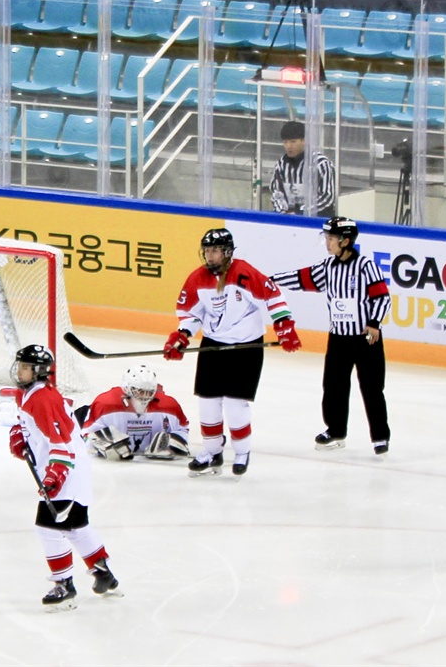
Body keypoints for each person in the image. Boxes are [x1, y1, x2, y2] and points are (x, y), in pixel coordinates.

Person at [161, 229, 301, 478]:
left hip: (246, 348)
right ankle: (212, 452)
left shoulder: (243, 272)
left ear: (227, 252)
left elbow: (273, 295)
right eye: (207, 250)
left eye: (214, 250)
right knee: (208, 403)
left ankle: (242, 452)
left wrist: (284, 325)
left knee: (236, 404)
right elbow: (191, 314)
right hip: (213, 345)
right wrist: (182, 336)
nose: (210, 256)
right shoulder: (197, 279)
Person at [8, 344, 121, 612]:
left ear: (38, 372)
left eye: (26, 367)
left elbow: (62, 443)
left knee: (48, 527)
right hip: (69, 467)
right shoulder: (28, 394)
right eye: (20, 365)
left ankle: (64, 585)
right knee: (75, 526)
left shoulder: (43, 398)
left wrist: (55, 475)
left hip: (66, 468)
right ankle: (102, 572)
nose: (20, 371)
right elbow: (26, 422)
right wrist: (18, 435)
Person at [271, 217, 392, 455]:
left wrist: (374, 323)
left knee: (371, 387)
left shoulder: (367, 267)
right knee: (333, 385)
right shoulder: (328, 267)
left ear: (345, 241)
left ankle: (380, 436)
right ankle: (335, 430)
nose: (327, 243)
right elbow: (301, 277)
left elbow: (382, 297)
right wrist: (270, 281)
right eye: (326, 238)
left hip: (366, 338)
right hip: (338, 338)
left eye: (331, 239)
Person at [74, 365, 191, 461]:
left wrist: (172, 442)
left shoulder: (168, 406)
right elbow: (85, 434)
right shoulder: (106, 404)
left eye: (149, 392)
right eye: (140, 391)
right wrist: (101, 443)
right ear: (127, 388)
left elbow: (183, 430)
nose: (145, 397)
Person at [268, 121, 337, 217]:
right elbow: (276, 192)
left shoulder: (321, 164)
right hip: (290, 219)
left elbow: (327, 196)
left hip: (318, 221)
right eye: (285, 142)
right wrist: (283, 211)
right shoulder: (281, 165)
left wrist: (301, 212)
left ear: (303, 141)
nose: (288, 146)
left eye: (293, 141)